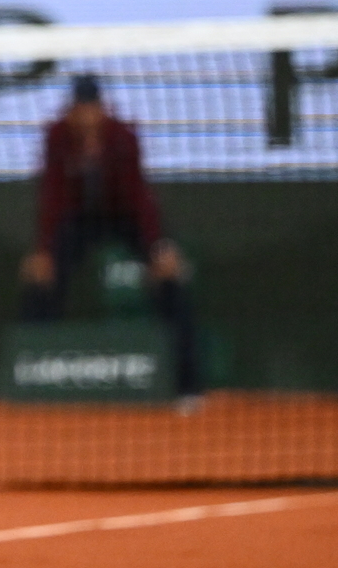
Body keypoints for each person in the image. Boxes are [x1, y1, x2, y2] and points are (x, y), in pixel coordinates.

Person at [18, 77, 202, 401]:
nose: (87, 118)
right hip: (77, 220)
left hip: (123, 217)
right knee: (41, 278)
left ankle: (187, 386)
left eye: (92, 111)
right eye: (80, 111)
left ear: (101, 111)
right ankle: (33, 379)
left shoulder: (123, 136)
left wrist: (158, 248)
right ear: (72, 112)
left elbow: (139, 198)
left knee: (171, 280)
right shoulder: (57, 136)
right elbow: (52, 197)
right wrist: (43, 251)